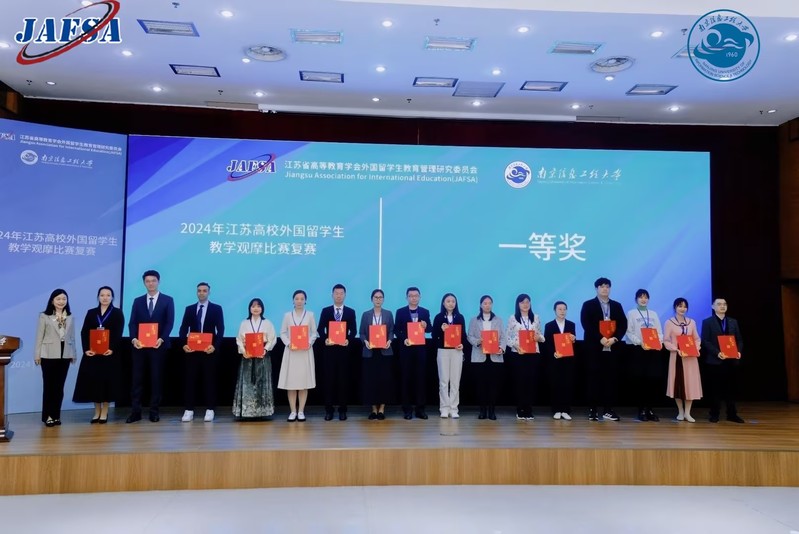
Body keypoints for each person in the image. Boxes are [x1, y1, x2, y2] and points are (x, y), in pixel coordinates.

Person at [126, 270, 175, 423]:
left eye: (153, 281)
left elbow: (169, 322)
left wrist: (162, 338)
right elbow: (132, 322)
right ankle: (136, 412)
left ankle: (154, 411)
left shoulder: (168, 300)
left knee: (156, 379)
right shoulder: (138, 301)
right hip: (139, 347)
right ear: (144, 283)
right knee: (137, 380)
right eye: (147, 281)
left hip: (158, 346)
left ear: (158, 282)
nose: (151, 284)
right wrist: (134, 339)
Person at [72, 286, 124, 424]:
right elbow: (84, 332)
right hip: (93, 354)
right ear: (98, 297)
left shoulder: (117, 313)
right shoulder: (91, 312)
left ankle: (104, 412)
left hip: (109, 355)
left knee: (107, 383)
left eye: (108, 295)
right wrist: (86, 349)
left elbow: (118, 333)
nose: (105, 298)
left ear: (112, 297)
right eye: (102, 295)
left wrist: (112, 348)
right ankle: (96, 411)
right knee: (94, 383)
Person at [580, 277, 627, 421]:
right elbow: (586, 324)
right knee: (593, 379)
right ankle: (593, 409)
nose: (605, 289)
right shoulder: (588, 305)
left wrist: (615, 338)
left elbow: (623, 324)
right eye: (602, 286)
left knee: (610, 379)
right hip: (594, 348)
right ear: (596, 289)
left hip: (612, 347)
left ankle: (608, 410)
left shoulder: (617, 305)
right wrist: (600, 338)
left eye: (607, 286)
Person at [178, 282, 225, 423]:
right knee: (190, 380)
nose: (202, 293)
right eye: (199, 290)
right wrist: (184, 344)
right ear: (196, 292)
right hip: (192, 351)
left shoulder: (216, 308)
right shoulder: (189, 309)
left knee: (209, 380)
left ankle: (210, 409)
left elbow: (221, 329)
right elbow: (183, 328)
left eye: (204, 290)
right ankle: (189, 410)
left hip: (209, 350)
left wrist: (215, 346)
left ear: (209, 292)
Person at [34, 288, 77, 427]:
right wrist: (37, 354)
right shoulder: (44, 316)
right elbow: (39, 336)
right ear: (52, 301)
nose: (61, 301)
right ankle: (47, 416)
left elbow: (72, 337)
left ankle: (56, 415)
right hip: (48, 355)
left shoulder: (70, 316)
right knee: (49, 387)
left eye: (64, 299)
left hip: (65, 355)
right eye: (58, 299)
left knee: (59, 388)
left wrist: (73, 353)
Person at [317, 284, 357, 421]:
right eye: (336, 293)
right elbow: (320, 329)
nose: (339, 296)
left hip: (344, 351)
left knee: (343, 381)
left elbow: (354, 330)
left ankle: (342, 410)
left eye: (341, 293)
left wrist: (348, 339)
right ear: (332, 295)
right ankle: (329, 410)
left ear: (345, 295)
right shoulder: (326, 311)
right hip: (329, 350)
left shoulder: (350, 312)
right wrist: (325, 339)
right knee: (329, 381)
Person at [701, 298, 745, 423]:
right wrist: (717, 353)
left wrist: (738, 351)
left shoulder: (733, 321)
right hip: (715, 361)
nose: (722, 306)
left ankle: (732, 414)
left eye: (724, 304)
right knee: (715, 389)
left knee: (731, 389)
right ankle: (714, 414)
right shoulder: (707, 322)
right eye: (719, 304)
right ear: (713, 306)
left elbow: (739, 340)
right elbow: (705, 341)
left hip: (731, 361)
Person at [624, 289, 665, 422]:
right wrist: (640, 342)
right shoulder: (631, 313)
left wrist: (658, 342)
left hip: (652, 351)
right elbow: (629, 332)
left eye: (646, 297)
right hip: (638, 350)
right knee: (640, 381)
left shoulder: (653, 314)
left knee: (652, 380)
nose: (643, 299)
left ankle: (650, 409)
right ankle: (641, 410)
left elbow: (659, 332)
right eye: (641, 297)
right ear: (636, 299)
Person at [233, 298, 277, 420]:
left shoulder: (267, 323)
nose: (256, 308)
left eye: (258, 306)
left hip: (262, 357)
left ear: (262, 308)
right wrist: (244, 351)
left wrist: (265, 349)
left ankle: (263, 411)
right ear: (249, 309)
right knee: (247, 384)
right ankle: (247, 412)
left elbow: (272, 339)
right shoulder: (244, 323)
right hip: (247, 357)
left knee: (262, 383)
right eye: (253, 306)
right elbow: (239, 339)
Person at [278, 289, 318, 422]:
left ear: (305, 301)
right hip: (292, 352)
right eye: (297, 299)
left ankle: (301, 411)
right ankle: (292, 411)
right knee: (291, 383)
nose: (299, 301)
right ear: (293, 301)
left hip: (305, 352)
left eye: (302, 299)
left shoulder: (310, 315)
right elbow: (283, 332)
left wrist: (309, 343)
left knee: (303, 383)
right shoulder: (287, 316)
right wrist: (289, 343)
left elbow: (314, 332)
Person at [505, 293, 546, 420]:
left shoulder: (536, 318)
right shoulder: (513, 318)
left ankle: (529, 409)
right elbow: (507, 337)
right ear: (518, 304)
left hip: (533, 354)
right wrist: (515, 346)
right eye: (522, 302)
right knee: (520, 382)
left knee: (531, 382)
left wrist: (539, 338)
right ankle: (520, 409)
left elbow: (542, 336)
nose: (525, 304)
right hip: (518, 354)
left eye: (527, 302)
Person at [394, 287, 432, 420]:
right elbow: (396, 330)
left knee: (420, 379)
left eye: (416, 295)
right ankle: (407, 409)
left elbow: (430, 329)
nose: (413, 298)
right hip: (406, 349)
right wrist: (404, 338)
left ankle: (420, 409)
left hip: (420, 350)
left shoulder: (425, 312)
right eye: (411, 296)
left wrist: (426, 326)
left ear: (420, 297)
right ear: (407, 298)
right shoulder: (400, 312)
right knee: (406, 379)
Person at [663, 297, 702, 422]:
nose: (682, 309)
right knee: (677, 384)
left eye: (685, 306)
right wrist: (676, 349)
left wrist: (695, 348)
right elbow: (666, 340)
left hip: (690, 358)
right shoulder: (669, 322)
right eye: (680, 306)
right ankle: (680, 411)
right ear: (675, 307)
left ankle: (688, 413)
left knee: (691, 384)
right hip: (677, 357)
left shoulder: (692, 322)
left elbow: (697, 339)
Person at [466, 295, 505, 420]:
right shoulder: (474, 320)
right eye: (485, 303)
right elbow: (469, 336)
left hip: (495, 356)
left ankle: (492, 411)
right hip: (479, 356)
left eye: (490, 303)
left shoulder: (498, 320)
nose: (487, 305)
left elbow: (503, 337)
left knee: (493, 385)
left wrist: (501, 348)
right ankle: (482, 410)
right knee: (481, 385)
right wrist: (478, 341)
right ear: (481, 305)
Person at [359, 289, 394, 420]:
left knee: (384, 381)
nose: (378, 299)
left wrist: (389, 341)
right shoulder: (366, 314)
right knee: (371, 381)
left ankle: (382, 409)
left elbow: (391, 331)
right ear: (372, 299)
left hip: (384, 352)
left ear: (383, 299)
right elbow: (362, 333)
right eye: (376, 297)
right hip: (370, 352)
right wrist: (365, 342)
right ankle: (373, 409)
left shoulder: (388, 314)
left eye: (380, 297)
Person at [432, 293, 466, 418]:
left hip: (456, 351)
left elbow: (463, 335)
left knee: (455, 381)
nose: (451, 303)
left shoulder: (460, 317)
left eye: (453, 301)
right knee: (444, 381)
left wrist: (462, 344)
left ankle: (454, 408)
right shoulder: (438, 317)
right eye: (448, 301)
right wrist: (441, 330)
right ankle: (444, 408)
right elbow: (434, 335)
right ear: (443, 303)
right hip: (443, 351)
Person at [542, 301, 576, 420]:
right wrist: (553, 353)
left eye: (564, 309)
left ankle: (565, 410)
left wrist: (573, 339)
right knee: (555, 384)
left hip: (568, 360)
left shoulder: (571, 324)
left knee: (567, 384)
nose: (562, 311)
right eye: (560, 309)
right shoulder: (549, 325)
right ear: (555, 311)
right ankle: (556, 409)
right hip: (555, 359)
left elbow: (572, 342)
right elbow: (547, 343)